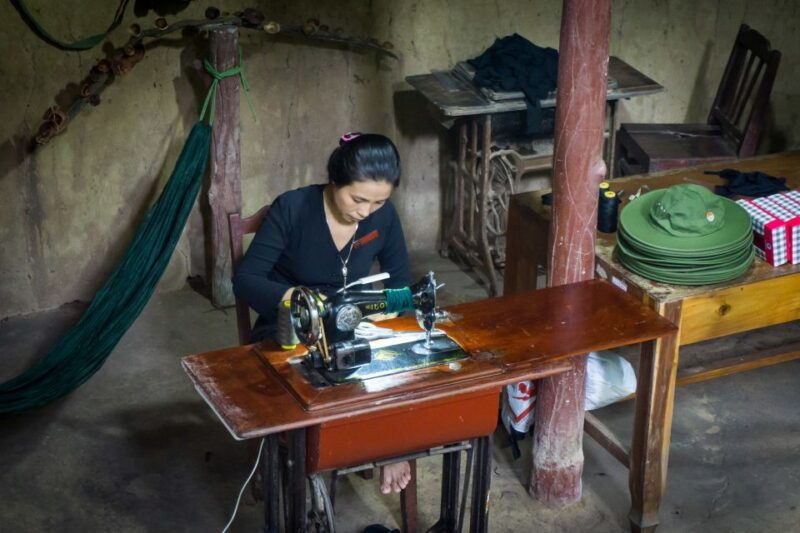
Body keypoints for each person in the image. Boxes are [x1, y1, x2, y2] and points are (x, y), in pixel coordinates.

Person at [232, 132, 412, 494]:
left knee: (401, 363)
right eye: (358, 199)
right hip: (291, 322)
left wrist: (389, 316)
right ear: (335, 180)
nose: (365, 212)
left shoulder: (383, 216)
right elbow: (246, 280)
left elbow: (401, 281)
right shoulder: (293, 209)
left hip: (352, 318)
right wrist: (301, 302)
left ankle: (390, 443)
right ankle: (332, 450)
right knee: (315, 375)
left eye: (377, 202)